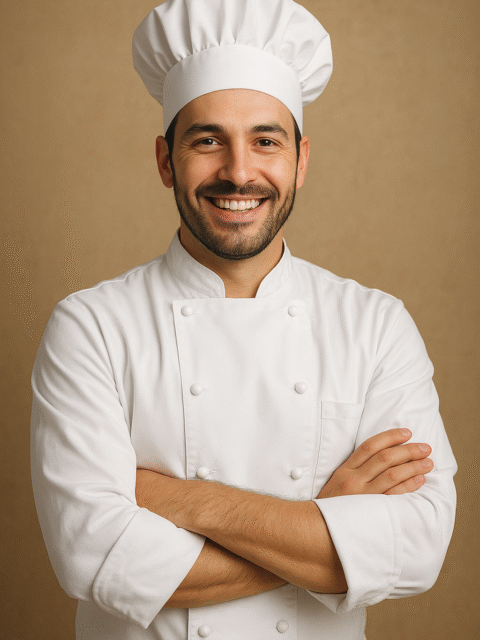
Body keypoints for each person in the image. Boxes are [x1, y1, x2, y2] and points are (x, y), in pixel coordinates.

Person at [30, 1, 457, 639]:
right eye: (207, 141)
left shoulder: (375, 326)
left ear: (301, 161)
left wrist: (184, 501)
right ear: (165, 160)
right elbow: (91, 558)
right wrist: (330, 526)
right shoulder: (91, 327)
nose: (238, 172)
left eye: (266, 141)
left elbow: (417, 549)